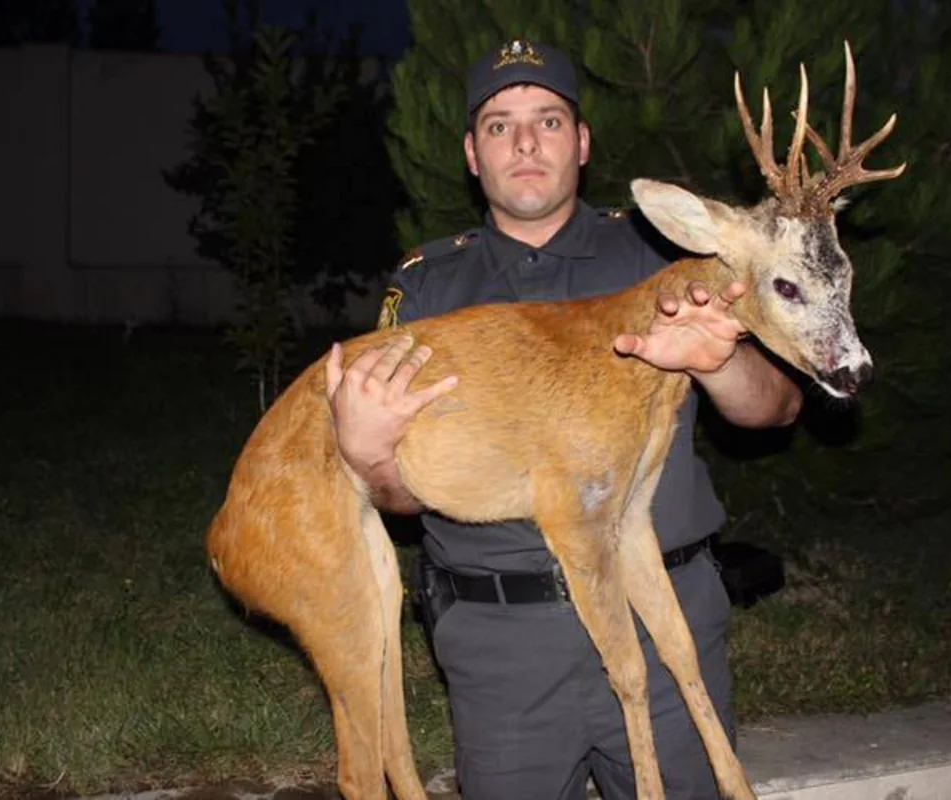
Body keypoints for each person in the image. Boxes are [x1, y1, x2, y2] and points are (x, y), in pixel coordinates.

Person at [324, 39, 803, 800]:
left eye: (548, 121)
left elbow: (777, 408)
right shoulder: (427, 293)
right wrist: (369, 454)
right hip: (506, 652)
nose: (525, 143)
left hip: (663, 619)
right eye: (499, 125)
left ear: (581, 143)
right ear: (472, 155)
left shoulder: (663, 254)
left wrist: (718, 363)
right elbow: (401, 500)